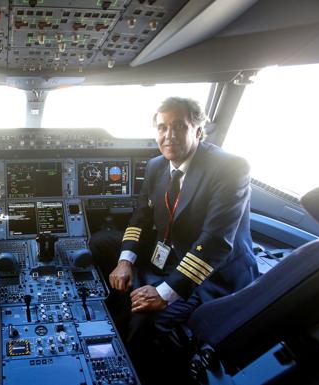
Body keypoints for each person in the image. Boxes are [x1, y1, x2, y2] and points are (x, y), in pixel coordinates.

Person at [90, 97, 258, 384]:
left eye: (179, 126)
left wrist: (165, 292)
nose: (169, 135)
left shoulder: (230, 168)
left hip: (213, 270)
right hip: (172, 251)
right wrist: (124, 261)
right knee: (101, 242)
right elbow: (139, 219)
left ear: (198, 130)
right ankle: (118, 308)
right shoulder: (157, 165)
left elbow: (216, 241)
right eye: (162, 127)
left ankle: (132, 365)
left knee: (147, 319)